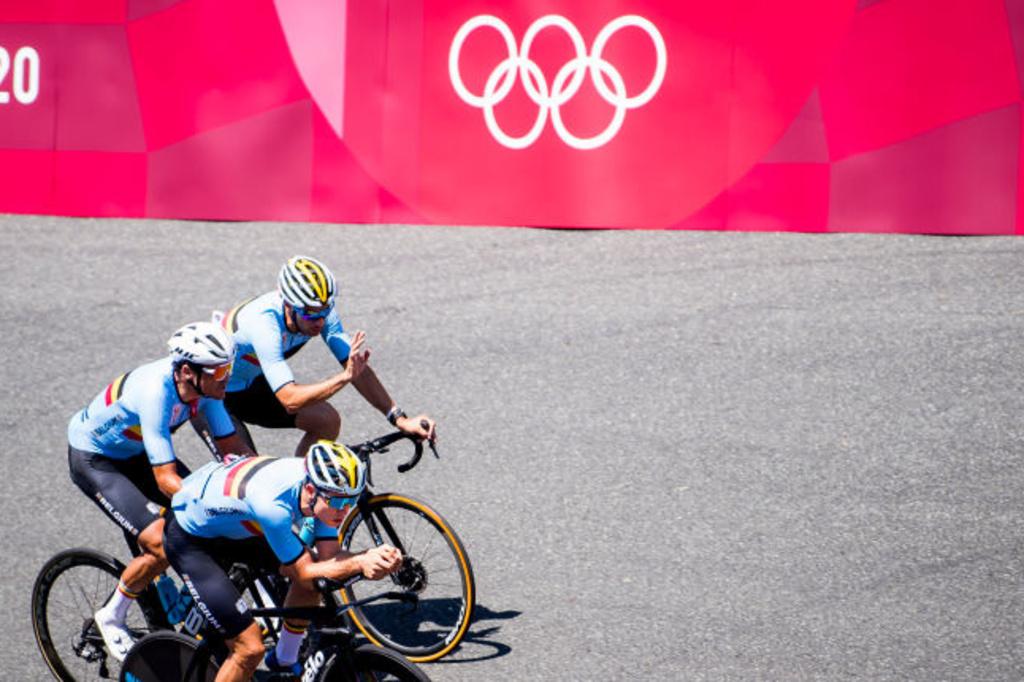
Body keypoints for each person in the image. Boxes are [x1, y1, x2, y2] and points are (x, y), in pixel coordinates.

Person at [67, 321, 254, 661]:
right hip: (97, 460)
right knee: (159, 543)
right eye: (220, 370)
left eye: (229, 366)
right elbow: (166, 478)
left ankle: (178, 606)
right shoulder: (156, 392)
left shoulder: (206, 389)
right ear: (187, 371)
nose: (226, 376)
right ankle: (111, 615)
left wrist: (259, 484)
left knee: (216, 526)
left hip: (136, 453)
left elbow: (232, 445)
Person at [164, 439, 403, 681]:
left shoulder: (323, 491)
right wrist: (360, 561)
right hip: (191, 541)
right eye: (340, 502)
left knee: (315, 577)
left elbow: (329, 558)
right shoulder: (274, 506)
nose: (345, 510)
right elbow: (305, 572)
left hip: (237, 528)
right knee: (249, 649)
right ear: (311, 490)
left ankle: (284, 658)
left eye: (351, 501)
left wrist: (376, 559)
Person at [219, 255, 436, 456]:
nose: (320, 321)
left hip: (253, 384)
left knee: (326, 421)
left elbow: (357, 369)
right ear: (288, 305)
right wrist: (343, 378)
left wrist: (399, 418)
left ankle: (301, 489)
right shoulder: (264, 324)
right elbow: (290, 400)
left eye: (325, 311)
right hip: (213, 396)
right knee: (247, 473)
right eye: (312, 314)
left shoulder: (316, 308)